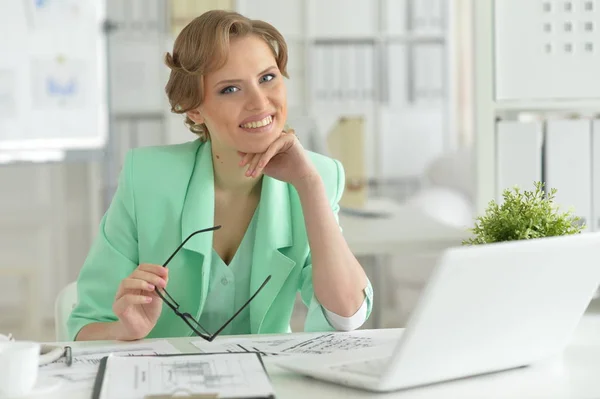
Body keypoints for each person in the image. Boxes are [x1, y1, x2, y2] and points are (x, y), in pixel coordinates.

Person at [67, 10, 373, 341]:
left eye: (267, 78)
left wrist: (310, 186)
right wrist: (123, 329)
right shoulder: (148, 180)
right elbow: (84, 329)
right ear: (194, 108)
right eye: (230, 89)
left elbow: (347, 316)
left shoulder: (318, 177)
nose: (259, 102)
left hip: (268, 382)